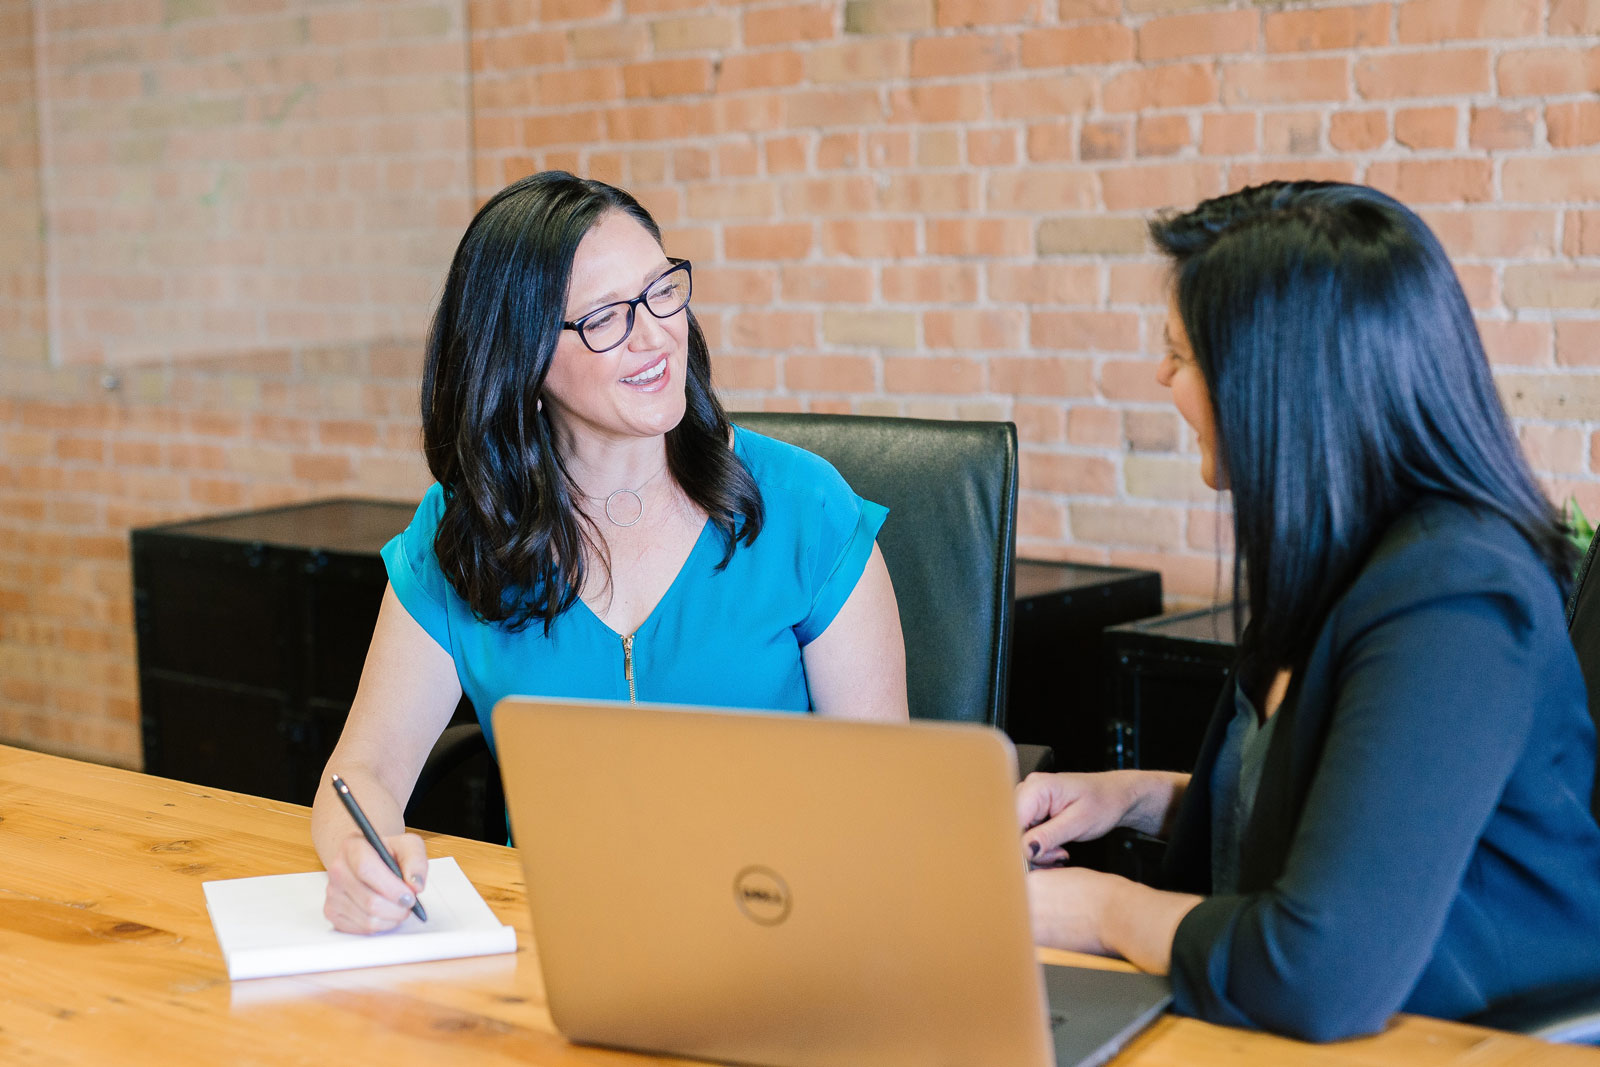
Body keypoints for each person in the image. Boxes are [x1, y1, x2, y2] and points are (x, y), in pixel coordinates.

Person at [1017, 181, 1600, 1041]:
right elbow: (1336, 813)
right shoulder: (1337, 552)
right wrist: (1133, 797)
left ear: (1274, 383)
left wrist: (1101, 910)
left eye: (1181, 353)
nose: (1161, 375)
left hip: (1471, 1037)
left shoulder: (1456, 597)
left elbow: (1316, 968)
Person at [312, 172, 908, 934]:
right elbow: (360, 771)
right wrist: (357, 860)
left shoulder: (804, 507)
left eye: (663, 291)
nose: (657, 333)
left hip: (780, 928)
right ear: (521, 359)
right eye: (605, 318)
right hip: (556, 940)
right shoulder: (464, 534)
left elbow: (885, 795)